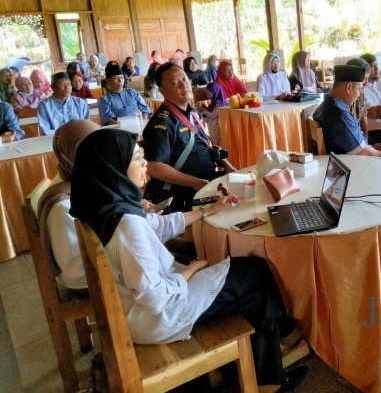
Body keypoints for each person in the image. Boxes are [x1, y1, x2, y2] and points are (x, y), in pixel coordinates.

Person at [69, 129, 308, 390]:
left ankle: (263, 379)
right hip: (159, 317)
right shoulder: (126, 225)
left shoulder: (104, 206)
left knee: (256, 298)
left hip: (144, 310)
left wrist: (208, 210)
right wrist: (189, 272)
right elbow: (155, 298)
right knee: (256, 267)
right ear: (113, 168)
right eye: (137, 158)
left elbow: (157, 226)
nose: (145, 164)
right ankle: (288, 333)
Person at [142, 63, 236, 212]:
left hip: (207, 185)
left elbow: (204, 144)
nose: (183, 85)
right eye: (174, 82)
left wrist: (225, 164)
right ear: (162, 91)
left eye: (184, 79)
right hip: (181, 196)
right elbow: (154, 167)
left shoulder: (194, 113)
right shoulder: (161, 123)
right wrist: (195, 182)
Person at [37, 120, 101, 290]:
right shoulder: (63, 205)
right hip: (84, 281)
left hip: (95, 266)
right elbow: (75, 272)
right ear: (70, 156)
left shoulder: (80, 182)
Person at [313, 65, 381, 157]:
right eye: (359, 89)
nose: (359, 95)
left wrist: (370, 147)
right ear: (349, 87)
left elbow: (359, 148)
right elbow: (363, 153)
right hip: (351, 165)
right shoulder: (339, 114)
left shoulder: (325, 105)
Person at [346, 58, 370, 138]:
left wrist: (367, 143)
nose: (366, 83)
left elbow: (363, 118)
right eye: (364, 79)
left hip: (359, 141)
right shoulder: (342, 100)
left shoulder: (360, 93)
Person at [198, 81, 225, 145]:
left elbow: (213, 115)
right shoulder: (214, 101)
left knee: (215, 142)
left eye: (208, 93)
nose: (206, 95)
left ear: (214, 92)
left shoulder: (219, 103)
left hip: (216, 125)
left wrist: (203, 111)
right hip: (213, 124)